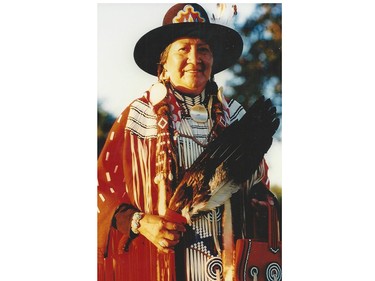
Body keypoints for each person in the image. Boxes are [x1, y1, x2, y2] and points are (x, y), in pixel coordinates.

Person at [98, 3, 276, 281]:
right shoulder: (138, 117)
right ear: (164, 64)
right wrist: (140, 222)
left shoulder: (234, 116)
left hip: (230, 266)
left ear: (213, 60)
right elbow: (102, 192)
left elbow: (260, 185)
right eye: (183, 49)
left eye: (203, 49)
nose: (195, 58)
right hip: (158, 264)